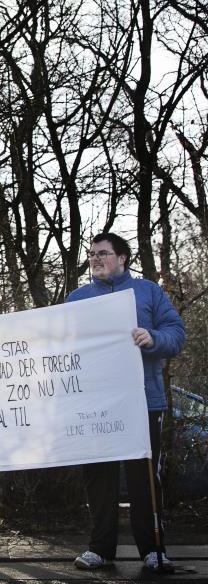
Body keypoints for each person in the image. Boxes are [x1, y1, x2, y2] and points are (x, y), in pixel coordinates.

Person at [67, 232, 185, 573]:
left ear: (122, 258)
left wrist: (153, 338)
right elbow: (61, 345)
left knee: (144, 478)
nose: (95, 259)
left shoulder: (148, 292)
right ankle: (100, 550)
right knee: (98, 476)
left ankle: (152, 550)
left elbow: (176, 333)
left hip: (143, 402)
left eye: (103, 253)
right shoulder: (78, 299)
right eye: (91, 254)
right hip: (95, 404)